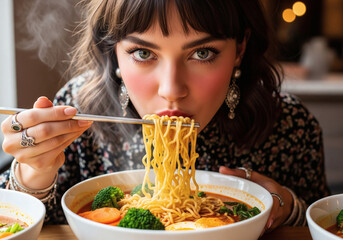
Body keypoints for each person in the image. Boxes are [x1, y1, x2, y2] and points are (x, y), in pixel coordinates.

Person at [0, 0, 330, 234]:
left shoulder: (290, 124)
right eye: (143, 53)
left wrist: (290, 208)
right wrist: (32, 174)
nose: (172, 89)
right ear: (114, 49)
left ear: (240, 48)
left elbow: (329, 224)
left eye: (203, 53)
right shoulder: (78, 109)